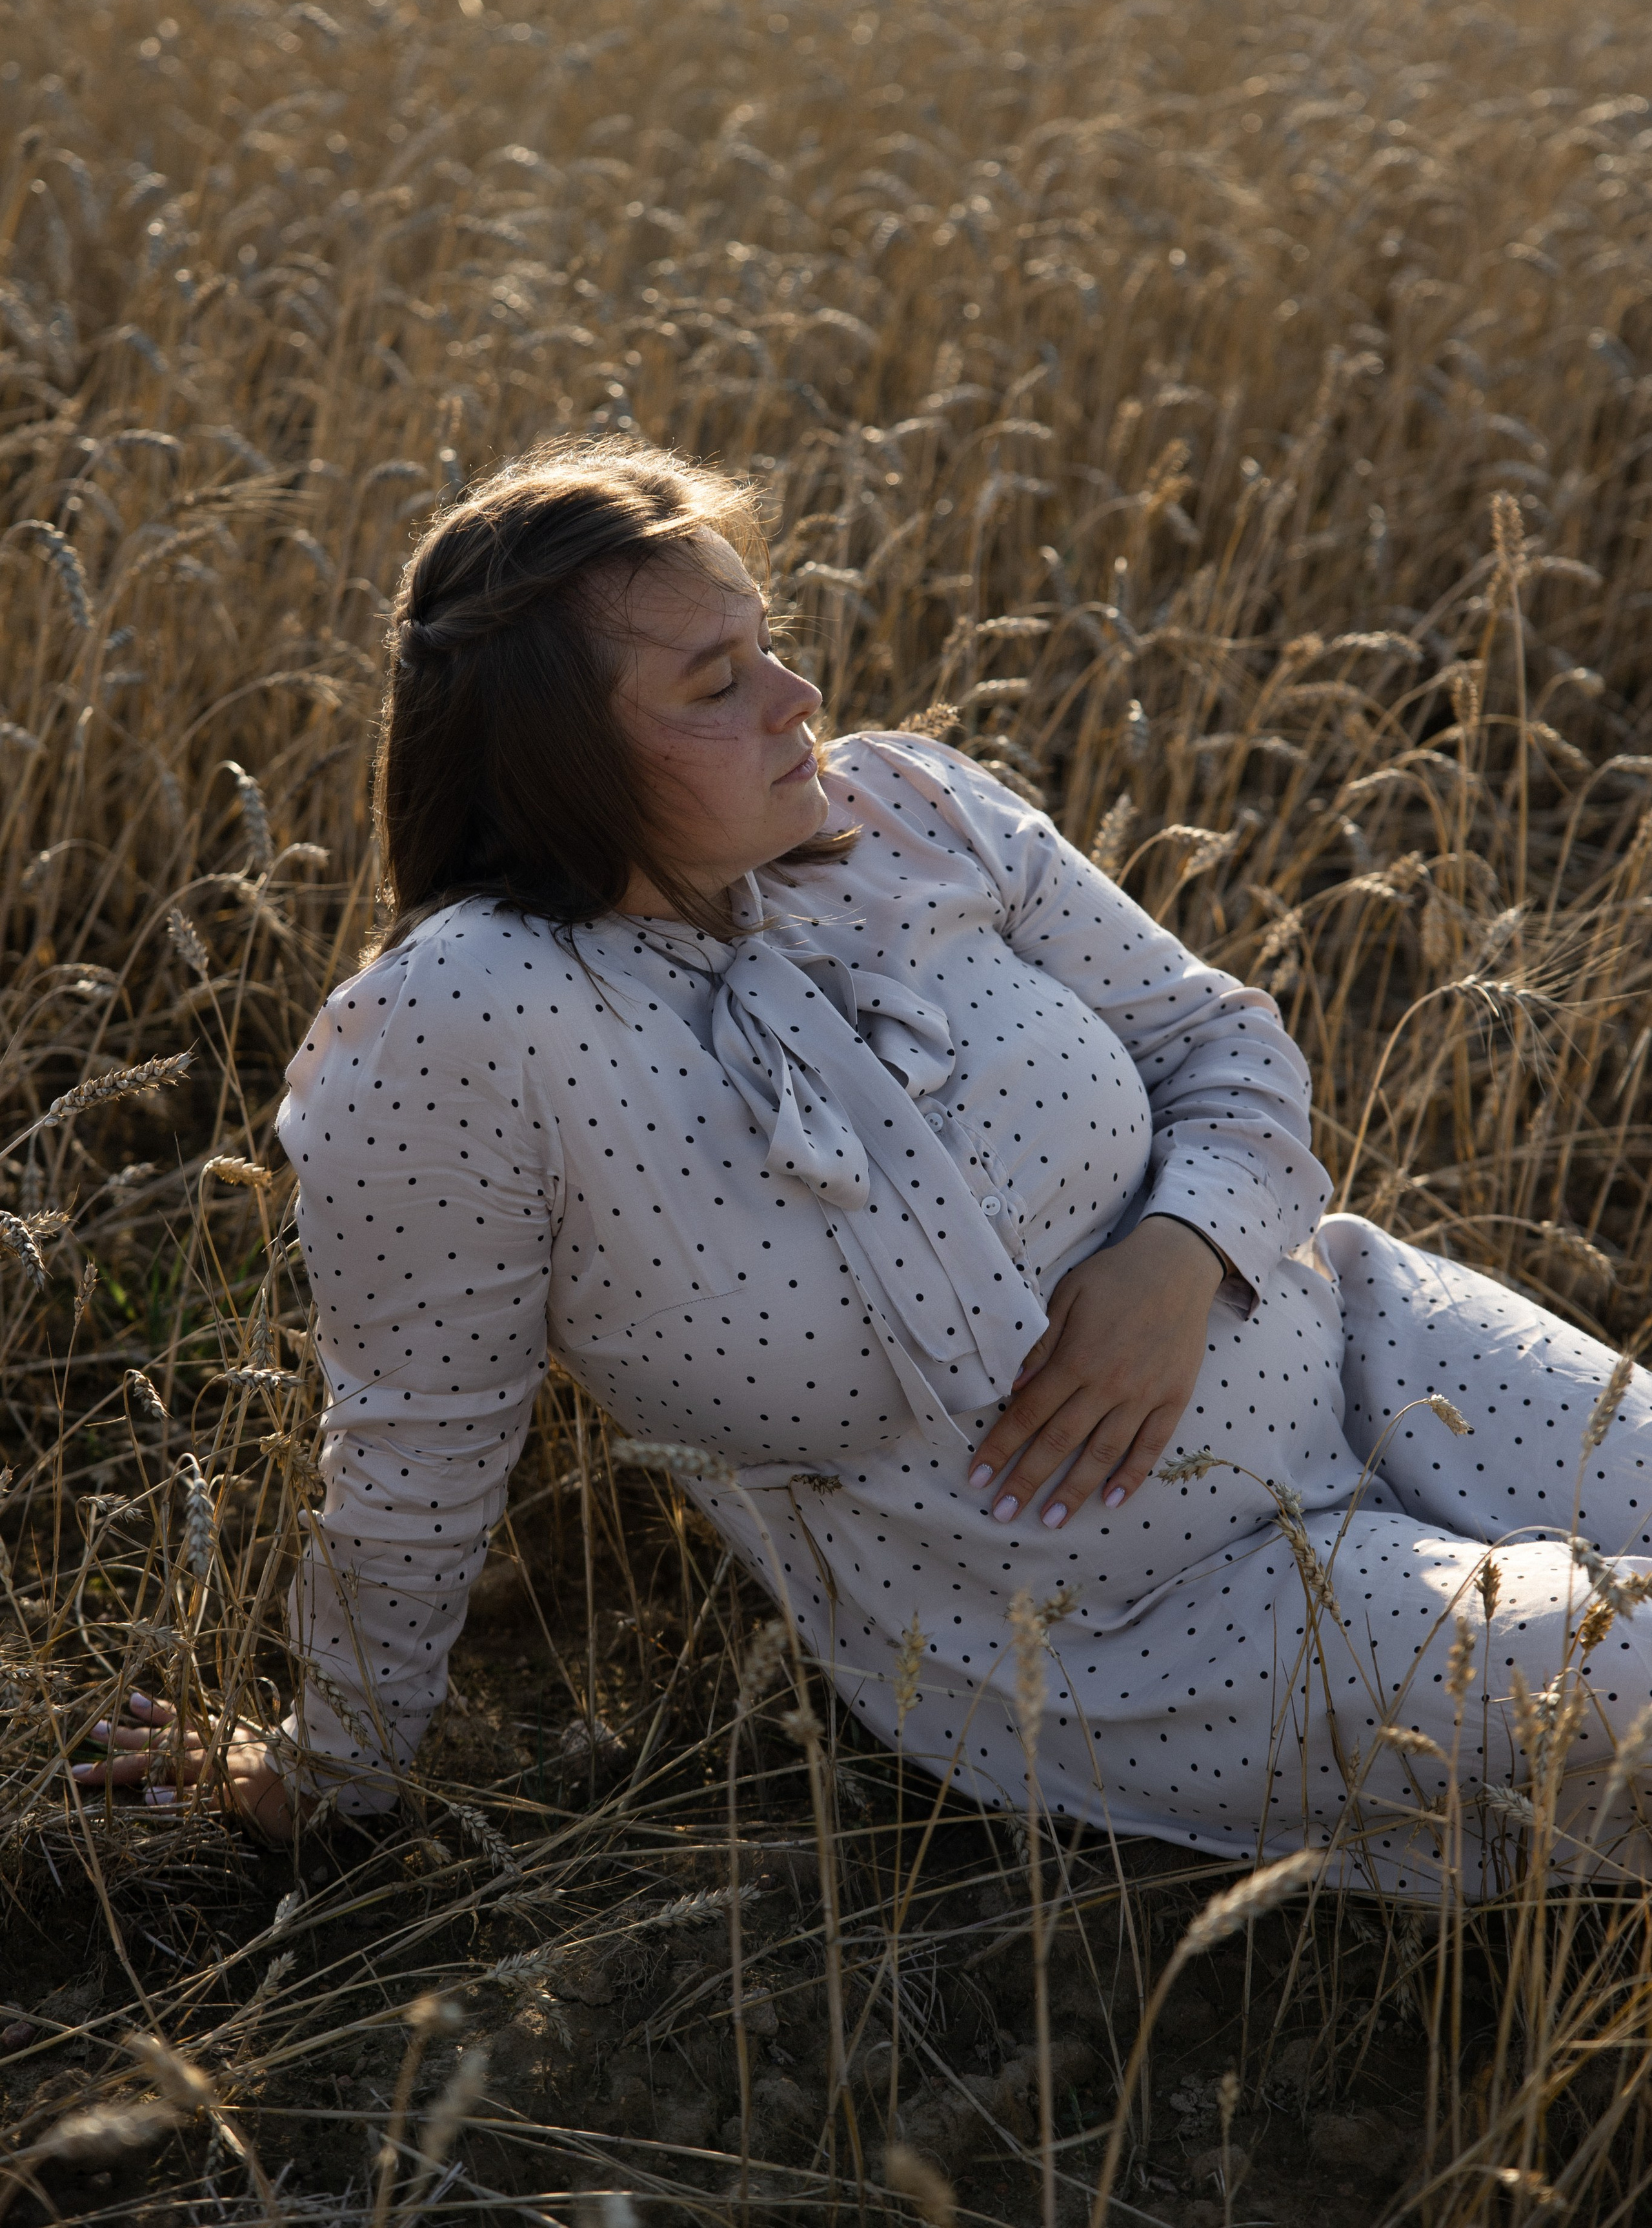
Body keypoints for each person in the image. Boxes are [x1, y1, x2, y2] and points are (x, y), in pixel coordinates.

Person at [76, 440, 1652, 1891]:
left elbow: (1223, 1044)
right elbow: (416, 1452)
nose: (797, 693)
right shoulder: (462, 1032)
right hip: (1139, 1617)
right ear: (556, 758)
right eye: (716, 681)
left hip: (1380, 1344)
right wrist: (324, 1771)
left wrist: (1179, 1260)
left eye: (769, 643)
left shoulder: (908, 808)